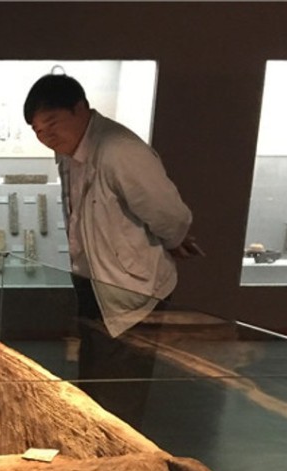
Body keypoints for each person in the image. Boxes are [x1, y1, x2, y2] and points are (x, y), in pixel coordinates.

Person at [23, 73, 201, 426]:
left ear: (81, 108)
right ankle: (97, 445)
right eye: (38, 131)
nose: (46, 137)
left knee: (122, 383)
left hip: (130, 288)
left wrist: (173, 239)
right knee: (95, 376)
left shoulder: (120, 151)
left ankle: (124, 462)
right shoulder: (70, 153)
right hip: (95, 281)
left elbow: (168, 213)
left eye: (52, 124)